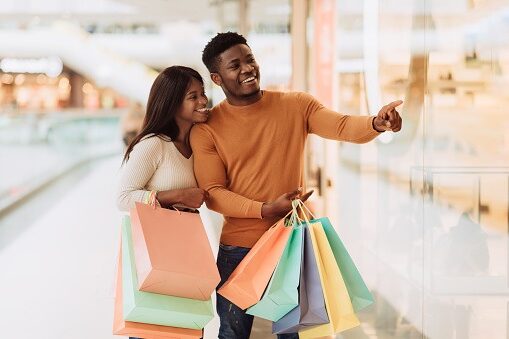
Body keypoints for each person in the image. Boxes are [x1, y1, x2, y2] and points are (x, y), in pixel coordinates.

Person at [190, 32, 403, 339]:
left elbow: (341, 126)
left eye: (250, 59)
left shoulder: (296, 105)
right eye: (235, 65)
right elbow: (214, 194)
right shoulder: (207, 129)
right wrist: (265, 209)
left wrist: (376, 123)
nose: (247, 69)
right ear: (217, 77)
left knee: (295, 334)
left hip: (291, 246)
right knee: (232, 335)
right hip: (238, 249)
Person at [117, 65, 210, 339]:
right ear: (172, 102)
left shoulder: (198, 142)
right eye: (193, 96)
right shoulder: (153, 144)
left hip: (187, 251)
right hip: (155, 252)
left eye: (202, 93)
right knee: (155, 324)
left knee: (188, 325)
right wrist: (180, 196)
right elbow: (123, 197)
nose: (203, 101)